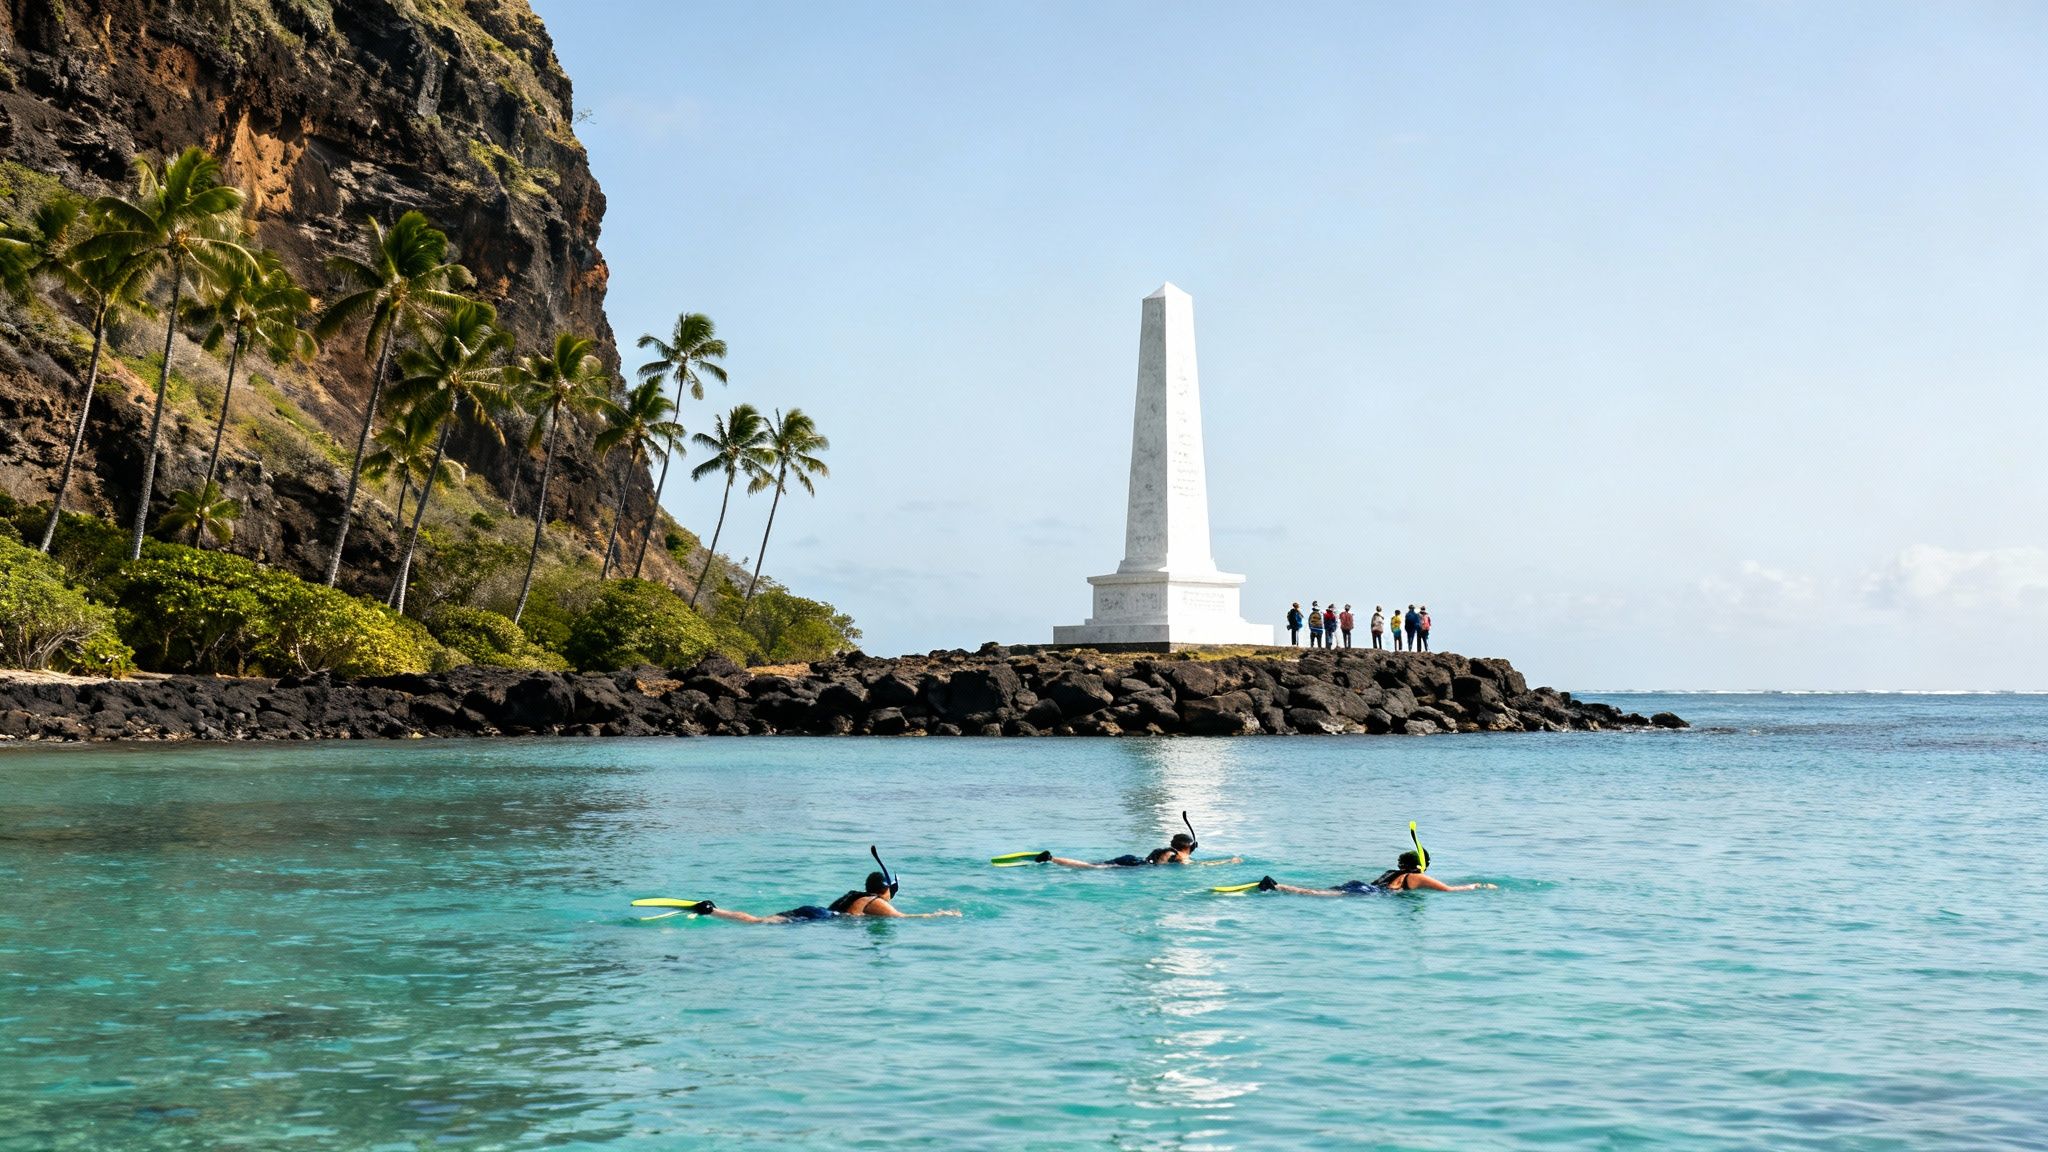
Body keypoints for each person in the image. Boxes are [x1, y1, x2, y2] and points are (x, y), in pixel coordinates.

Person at [1247, 851, 1495, 896]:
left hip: (1362, 886)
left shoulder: (1392, 872)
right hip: (1366, 892)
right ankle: (1276, 887)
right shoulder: (1415, 878)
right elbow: (1448, 890)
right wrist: (1476, 886)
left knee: (1320, 892)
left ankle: (1278, 887)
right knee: (1315, 894)